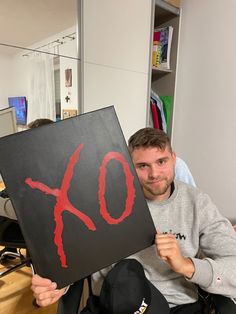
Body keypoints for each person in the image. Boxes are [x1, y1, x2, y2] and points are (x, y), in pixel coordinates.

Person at [32, 127, 236, 312]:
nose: (154, 173)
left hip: (176, 306)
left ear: (174, 159)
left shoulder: (197, 202)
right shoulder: (101, 199)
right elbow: (75, 256)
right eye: (142, 166)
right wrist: (57, 286)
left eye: (161, 162)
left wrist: (185, 265)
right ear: (129, 166)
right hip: (112, 303)